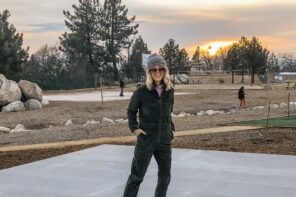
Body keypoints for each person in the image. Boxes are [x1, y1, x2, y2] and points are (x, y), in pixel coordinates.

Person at [123, 53, 175, 197]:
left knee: (165, 176)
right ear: (149, 72)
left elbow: (168, 114)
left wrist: (172, 130)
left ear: (165, 71)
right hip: (146, 140)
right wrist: (135, 129)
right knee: (136, 176)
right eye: (154, 69)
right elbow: (131, 111)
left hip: (164, 141)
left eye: (160, 69)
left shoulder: (170, 91)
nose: (157, 72)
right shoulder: (141, 92)